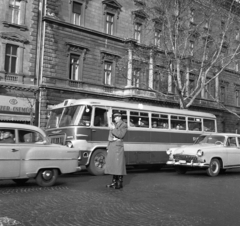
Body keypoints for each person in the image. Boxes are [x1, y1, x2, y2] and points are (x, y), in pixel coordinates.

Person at [105, 112, 128, 189]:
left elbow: (121, 135)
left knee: (118, 165)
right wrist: (108, 147)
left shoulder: (123, 125)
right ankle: (114, 182)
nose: (114, 119)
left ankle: (119, 183)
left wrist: (113, 129)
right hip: (112, 145)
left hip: (118, 146)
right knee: (113, 164)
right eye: (114, 118)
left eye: (116, 117)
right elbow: (110, 137)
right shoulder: (114, 125)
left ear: (119, 117)